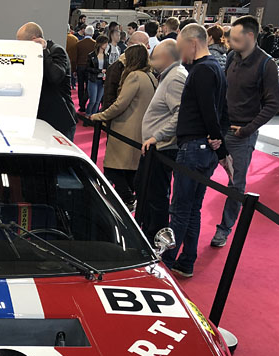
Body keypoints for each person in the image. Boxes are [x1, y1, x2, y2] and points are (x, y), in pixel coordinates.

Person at [162, 24, 232, 279]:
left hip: (193, 148)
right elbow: (222, 112)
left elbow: (210, 111)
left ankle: (167, 263)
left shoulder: (203, 70)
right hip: (204, 149)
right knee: (192, 209)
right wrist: (219, 145)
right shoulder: (216, 69)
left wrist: (219, 143)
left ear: (193, 43)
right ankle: (186, 261)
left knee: (180, 209)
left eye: (181, 47)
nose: (181, 54)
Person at [211, 15, 279, 247]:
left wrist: (247, 129)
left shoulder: (266, 64)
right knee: (200, 168)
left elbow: (273, 104)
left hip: (242, 133)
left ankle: (225, 228)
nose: (231, 43)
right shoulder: (232, 57)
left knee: (236, 183)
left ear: (251, 36)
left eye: (236, 39)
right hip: (220, 128)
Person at [90, 45, 157, 208]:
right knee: (128, 172)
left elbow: (120, 104)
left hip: (125, 131)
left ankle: (128, 199)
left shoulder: (134, 76)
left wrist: (100, 116)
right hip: (139, 132)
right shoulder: (151, 77)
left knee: (113, 170)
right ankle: (131, 201)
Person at [138, 39, 188, 241]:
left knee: (156, 196)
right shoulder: (170, 76)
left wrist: (156, 136)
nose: (151, 58)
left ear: (166, 57)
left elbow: (180, 113)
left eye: (155, 54)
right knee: (149, 192)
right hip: (157, 147)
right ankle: (149, 232)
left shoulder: (175, 78)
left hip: (162, 148)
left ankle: (154, 237)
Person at [17, 22, 77, 140]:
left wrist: (43, 51)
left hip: (60, 120)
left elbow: (55, 77)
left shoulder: (56, 51)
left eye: (22, 44)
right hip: (41, 119)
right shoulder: (31, 56)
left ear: (34, 40)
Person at [101, 31, 149, 111]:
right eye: (146, 45)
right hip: (121, 117)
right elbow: (109, 99)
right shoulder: (116, 68)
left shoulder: (146, 66)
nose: (149, 47)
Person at [85, 35, 110, 116]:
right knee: (92, 100)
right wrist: (99, 70)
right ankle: (88, 114)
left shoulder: (106, 55)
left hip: (102, 80)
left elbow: (107, 66)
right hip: (93, 80)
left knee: (98, 101)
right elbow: (88, 68)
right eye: (105, 43)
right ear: (100, 43)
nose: (106, 45)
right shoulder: (91, 55)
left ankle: (94, 116)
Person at [76, 26, 96, 111]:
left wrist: (75, 68)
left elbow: (76, 56)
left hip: (80, 66)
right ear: (92, 33)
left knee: (80, 86)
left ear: (85, 33)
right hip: (90, 67)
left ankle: (81, 105)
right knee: (88, 87)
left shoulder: (79, 43)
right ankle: (84, 101)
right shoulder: (95, 44)